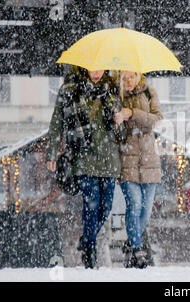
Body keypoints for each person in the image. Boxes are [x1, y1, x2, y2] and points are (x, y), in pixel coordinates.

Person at [46, 66, 121, 269]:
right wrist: (51, 152)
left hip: (108, 156)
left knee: (105, 207)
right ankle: (90, 251)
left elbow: (120, 130)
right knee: (92, 203)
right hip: (83, 155)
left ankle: (87, 239)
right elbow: (56, 123)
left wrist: (118, 118)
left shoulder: (113, 88)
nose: (96, 73)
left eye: (100, 68)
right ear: (83, 66)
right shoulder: (69, 89)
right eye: (91, 68)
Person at [114, 71, 163, 269]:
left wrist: (132, 113)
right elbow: (115, 131)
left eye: (132, 76)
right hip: (128, 159)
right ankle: (136, 248)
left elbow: (156, 119)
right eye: (124, 78)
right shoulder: (116, 97)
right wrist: (118, 120)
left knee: (146, 210)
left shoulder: (150, 93)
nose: (129, 81)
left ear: (138, 75)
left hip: (149, 159)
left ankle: (130, 242)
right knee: (134, 204)